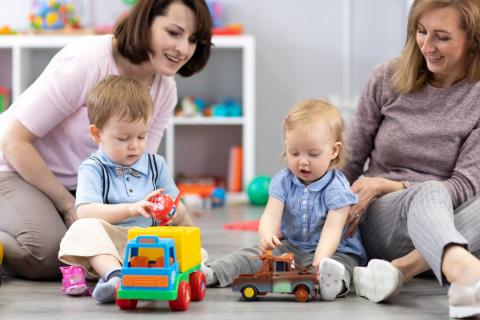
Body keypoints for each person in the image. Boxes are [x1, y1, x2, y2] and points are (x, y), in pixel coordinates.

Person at [0, 0, 212, 280]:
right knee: (50, 255)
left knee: (94, 250)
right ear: (145, 22)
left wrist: (168, 220)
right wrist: (67, 207)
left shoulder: (164, 91)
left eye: (193, 40)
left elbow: (135, 169)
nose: (183, 49)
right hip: (17, 170)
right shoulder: (89, 61)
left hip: (84, 185)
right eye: (174, 33)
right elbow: (14, 142)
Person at [341, 0, 480, 317]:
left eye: (442, 37)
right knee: (430, 192)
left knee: (437, 194)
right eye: (421, 31)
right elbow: (348, 164)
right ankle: (464, 272)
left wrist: (387, 184)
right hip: (382, 219)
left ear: (473, 41)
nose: (427, 46)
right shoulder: (385, 77)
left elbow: (464, 186)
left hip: (448, 220)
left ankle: (402, 270)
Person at [203, 99, 368, 301]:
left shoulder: (337, 187)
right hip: (292, 247)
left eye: (313, 154)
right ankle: (212, 273)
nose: (303, 161)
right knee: (251, 255)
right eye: (294, 153)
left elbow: (333, 229)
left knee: (342, 266)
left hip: (334, 250)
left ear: (334, 151)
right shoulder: (284, 180)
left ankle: (331, 284)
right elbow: (271, 214)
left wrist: (322, 256)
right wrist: (267, 235)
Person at [58, 75, 196, 303]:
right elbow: (85, 212)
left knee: (191, 245)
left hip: (152, 244)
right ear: (97, 134)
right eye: (123, 138)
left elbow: (176, 206)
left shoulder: (155, 164)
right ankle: (115, 276)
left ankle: (194, 268)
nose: (134, 145)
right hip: (111, 244)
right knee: (82, 228)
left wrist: (173, 212)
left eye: (142, 136)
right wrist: (130, 209)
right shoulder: (93, 168)